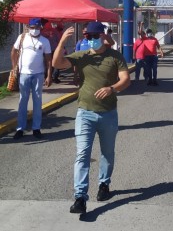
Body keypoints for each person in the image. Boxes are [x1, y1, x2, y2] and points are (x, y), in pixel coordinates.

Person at [52, 21, 130, 214]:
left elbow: (125, 79)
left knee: (107, 153)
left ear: (103, 36)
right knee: (82, 155)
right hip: (85, 113)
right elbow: (57, 63)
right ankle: (80, 197)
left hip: (108, 113)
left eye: (94, 37)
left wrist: (112, 88)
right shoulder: (82, 56)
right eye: (87, 37)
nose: (91, 41)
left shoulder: (115, 56)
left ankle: (104, 184)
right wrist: (62, 42)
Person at [11, 18, 52, 139]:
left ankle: (36, 128)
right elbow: (13, 51)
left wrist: (49, 75)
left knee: (37, 102)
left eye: (37, 28)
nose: (34, 30)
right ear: (28, 27)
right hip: (24, 74)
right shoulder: (22, 37)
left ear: (41, 28)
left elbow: (49, 60)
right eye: (32, 28)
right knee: (22, 101)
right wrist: (14, 67)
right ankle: (20, 128)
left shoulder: (45, 41)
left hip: (39, 75)